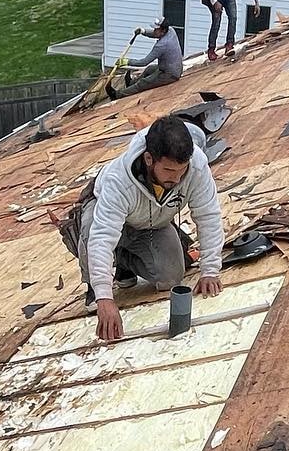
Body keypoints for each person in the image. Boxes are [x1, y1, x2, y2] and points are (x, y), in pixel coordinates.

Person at [66, 114, 224, 343]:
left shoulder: (196, 166)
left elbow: (208, 215)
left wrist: (210, 270)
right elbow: (102, 238)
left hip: (150, 222)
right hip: (105, 215)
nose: (177, 179)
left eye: (181, 170)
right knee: (92, 230)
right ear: (149, 159)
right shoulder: (118, 181)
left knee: (171, 277)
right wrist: (105, 298)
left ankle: (123, 263)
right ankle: (93, 282)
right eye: (169, 170)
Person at [107, 17, 183, 99]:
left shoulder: (162, 45)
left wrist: (127, 62)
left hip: (170, 75)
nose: (154, 31)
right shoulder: (170, 30)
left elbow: (144, 62)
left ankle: (116, 95)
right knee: (149, 69)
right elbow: (155, 34)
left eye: (156, 29)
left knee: (143, 83)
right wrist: (143, 31)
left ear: (163, 30)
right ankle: (131, 83)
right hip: (171, 68)